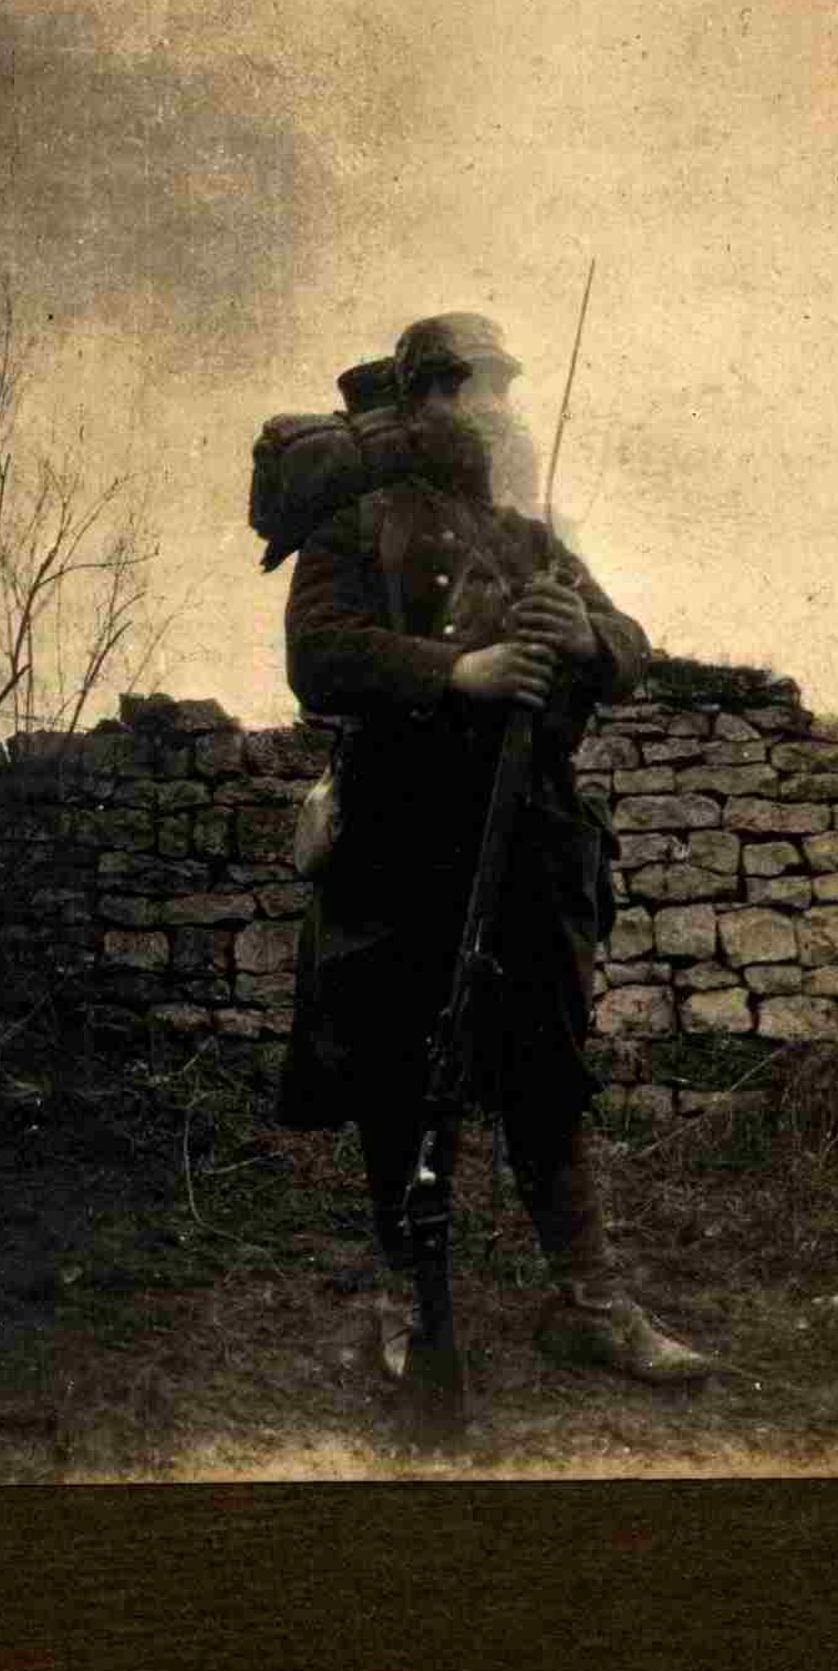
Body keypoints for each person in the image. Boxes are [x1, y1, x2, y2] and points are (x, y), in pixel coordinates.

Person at [279, 312, 711, 1385]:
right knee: (402, 1069)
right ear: (430, 398)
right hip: (403, 840)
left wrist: (589, 639)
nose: (505, 410)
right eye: (485, 387)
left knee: (546, 1068)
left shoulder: (531, 535)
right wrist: (456, 672)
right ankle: (407, 1300)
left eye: (511, 389)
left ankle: (591, 1302)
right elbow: (318, 655)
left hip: (532, 837)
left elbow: (631, 646)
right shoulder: (358, 521)